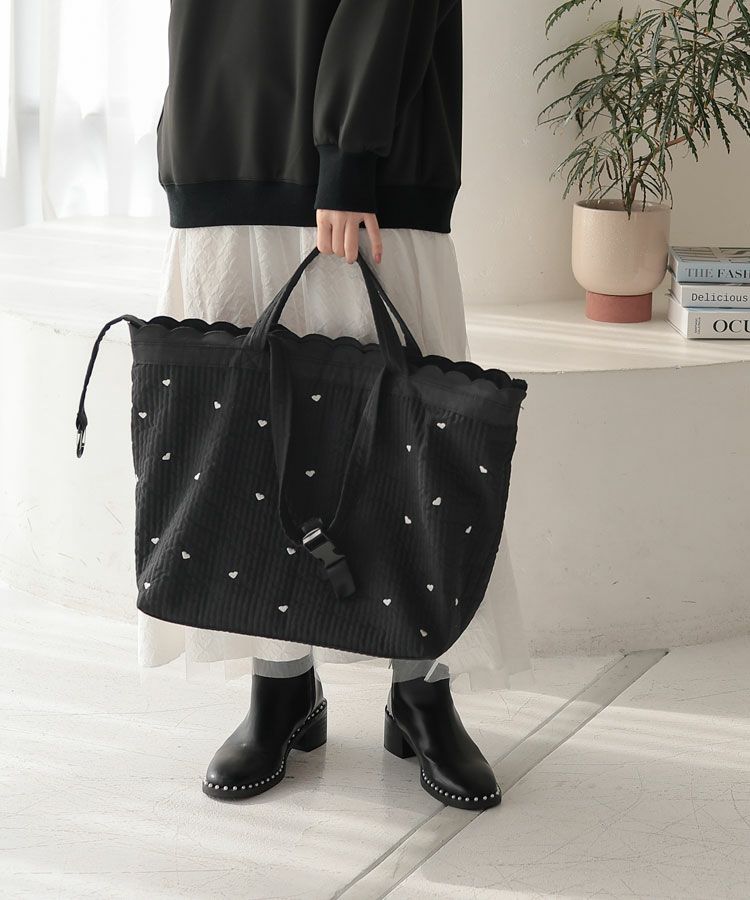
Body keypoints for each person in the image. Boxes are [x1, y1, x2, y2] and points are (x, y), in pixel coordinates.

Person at [143, 0, 531, 811]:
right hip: (222, 126)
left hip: (369, 149)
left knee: (411, 439)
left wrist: (350, 152)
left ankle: (421, 690)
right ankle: (282, 684)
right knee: (250, 443)